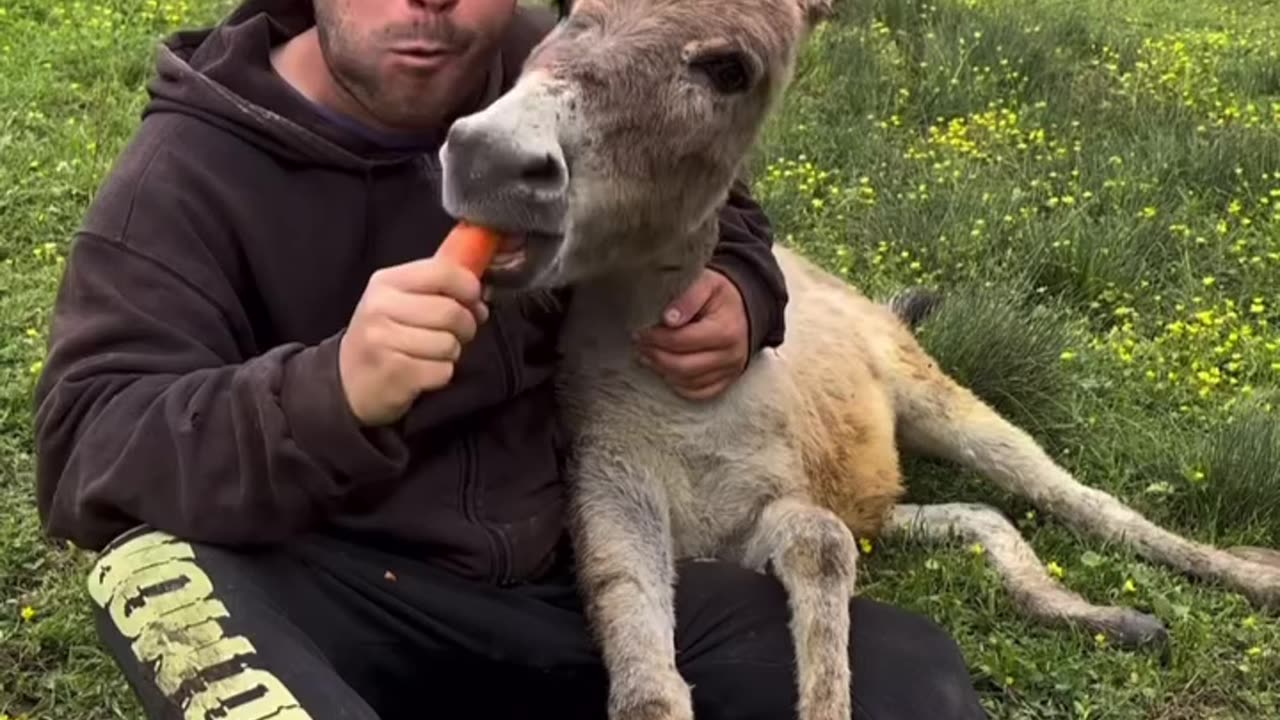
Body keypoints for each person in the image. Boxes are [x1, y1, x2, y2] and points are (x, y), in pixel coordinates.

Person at [32, 0, 990, 718]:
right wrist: (332, 391)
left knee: (913, 680)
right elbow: (89, 450)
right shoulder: (188, 174)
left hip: (564, 583)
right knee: (163, 582)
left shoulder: (536, 63)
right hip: (344, 589)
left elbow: (709, 191)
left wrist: (745, 288)